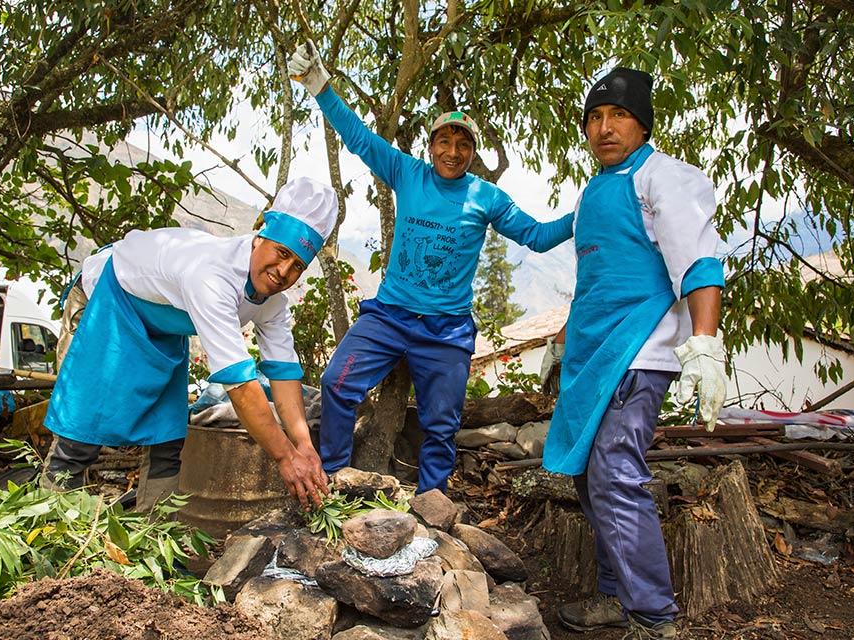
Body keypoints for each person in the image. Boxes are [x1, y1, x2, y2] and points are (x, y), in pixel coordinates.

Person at [288, 41, 575, 495]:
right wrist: (320, 87)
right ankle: (336, 480)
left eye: (463, 145)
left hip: (445, 330)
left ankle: (432, 504)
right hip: (388, 316)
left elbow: (536, 237)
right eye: (445, 141)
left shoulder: (486, 197)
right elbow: (359, 138)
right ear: (432, 146)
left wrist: (581, 216)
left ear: (472, 153)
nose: (453, 151)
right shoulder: (408, 173)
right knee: (336, 383)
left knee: (442, 423)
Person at [543, 68, 727, 640]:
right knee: (585, 475)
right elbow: (592, 274)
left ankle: (653, 619)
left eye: (617, 115)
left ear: (642, 123)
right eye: (594, 118)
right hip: (590, 355)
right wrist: (562, 345)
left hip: (639, 348)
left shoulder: (664, 178)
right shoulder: (594, 190)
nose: (604, 128)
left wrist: (704, 342)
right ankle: (614, 596)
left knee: (616, 474)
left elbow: (698, 261)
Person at [43, 177, 338, 511]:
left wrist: (304, 446)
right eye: (282, 253)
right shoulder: (211, 276)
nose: (283, 271)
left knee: (168, 440)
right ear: (260, 237)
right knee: (79, 438)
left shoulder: (271, 301)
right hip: (110, 302)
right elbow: (239, 385)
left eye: (297, 265)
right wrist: (285, 458)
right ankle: (53, 531)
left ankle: (153, 542)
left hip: (163, 326)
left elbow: (283, 373)